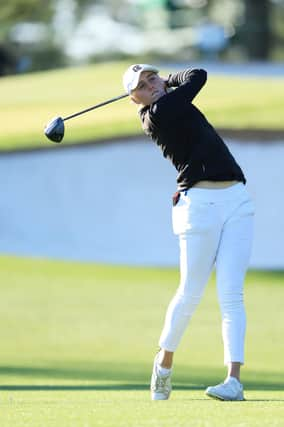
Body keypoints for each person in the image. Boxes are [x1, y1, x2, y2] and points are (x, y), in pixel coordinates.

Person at [122, 64, 254, 401]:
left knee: (232, 295)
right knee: (190, 292)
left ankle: (233, 381)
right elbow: (198, 74)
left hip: (237, 199)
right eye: (142, 84)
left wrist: (164, 81)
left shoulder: (170, 101)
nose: (151, 84)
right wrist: (169, 81)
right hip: (199, 206)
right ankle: (164, 364)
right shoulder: (156, 113)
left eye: (153, 77)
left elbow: (195, 76)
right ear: (134, 99)